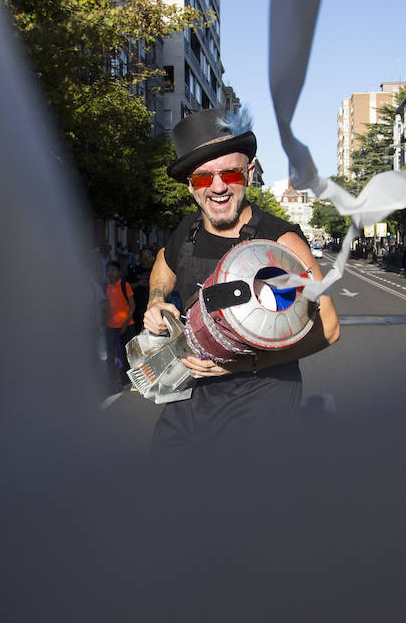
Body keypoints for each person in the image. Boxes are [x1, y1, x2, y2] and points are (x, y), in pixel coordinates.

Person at [142, 108, 339, 451]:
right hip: (187, 399)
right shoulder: (186, 231)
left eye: (229, 173)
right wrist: (157, 298)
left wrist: (245, 363)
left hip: (259, 401)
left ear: (248, 173)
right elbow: (164, 259)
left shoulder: (279, 245)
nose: (217, 187)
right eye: (203, 177)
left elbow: (329, 326)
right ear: (191, 185)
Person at [102, 260, 134, 387]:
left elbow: (132, 305)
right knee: (112, 355)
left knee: (128, 354)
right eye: (108, 270)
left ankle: (128, 379)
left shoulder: (124, 285)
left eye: (113, 270)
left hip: (127, 325)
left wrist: (125, 323)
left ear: (119, 272)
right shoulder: (104, 287)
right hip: (110, 327)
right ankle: (113, 380)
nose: (111, 273)